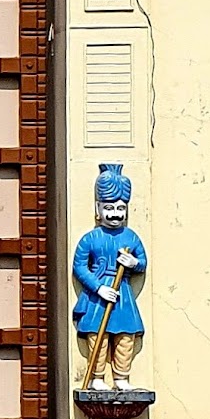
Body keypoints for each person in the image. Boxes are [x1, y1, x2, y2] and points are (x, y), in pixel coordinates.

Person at [72, 163, 146, 391]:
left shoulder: (131, 237)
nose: (115, 213)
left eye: (121, 208)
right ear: (98, 208)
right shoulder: (90, 239)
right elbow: (79, 266)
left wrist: (133, 263)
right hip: (99, 296)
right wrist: (98, 288)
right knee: (98, 336)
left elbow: (142, 262)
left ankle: (122, 378)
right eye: (109, 208)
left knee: (125, 336)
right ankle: (97, 377)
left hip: (122, 295)